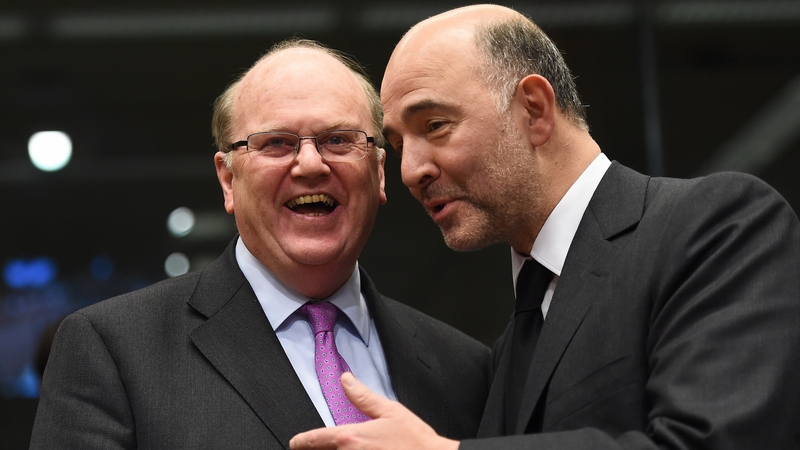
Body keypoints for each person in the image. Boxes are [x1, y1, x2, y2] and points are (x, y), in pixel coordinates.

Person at [289, 5, 800, 450]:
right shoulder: (512, 344)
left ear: (534, 109)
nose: (410, 172)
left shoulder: (715, 225)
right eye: (400, 146)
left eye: (435, 126)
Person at [29, 38, 490, 449]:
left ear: (380, 172)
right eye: (275, 143)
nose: (310, 164)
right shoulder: (113, 351)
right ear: (228, 180)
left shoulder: (466, 368)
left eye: (338, 139)